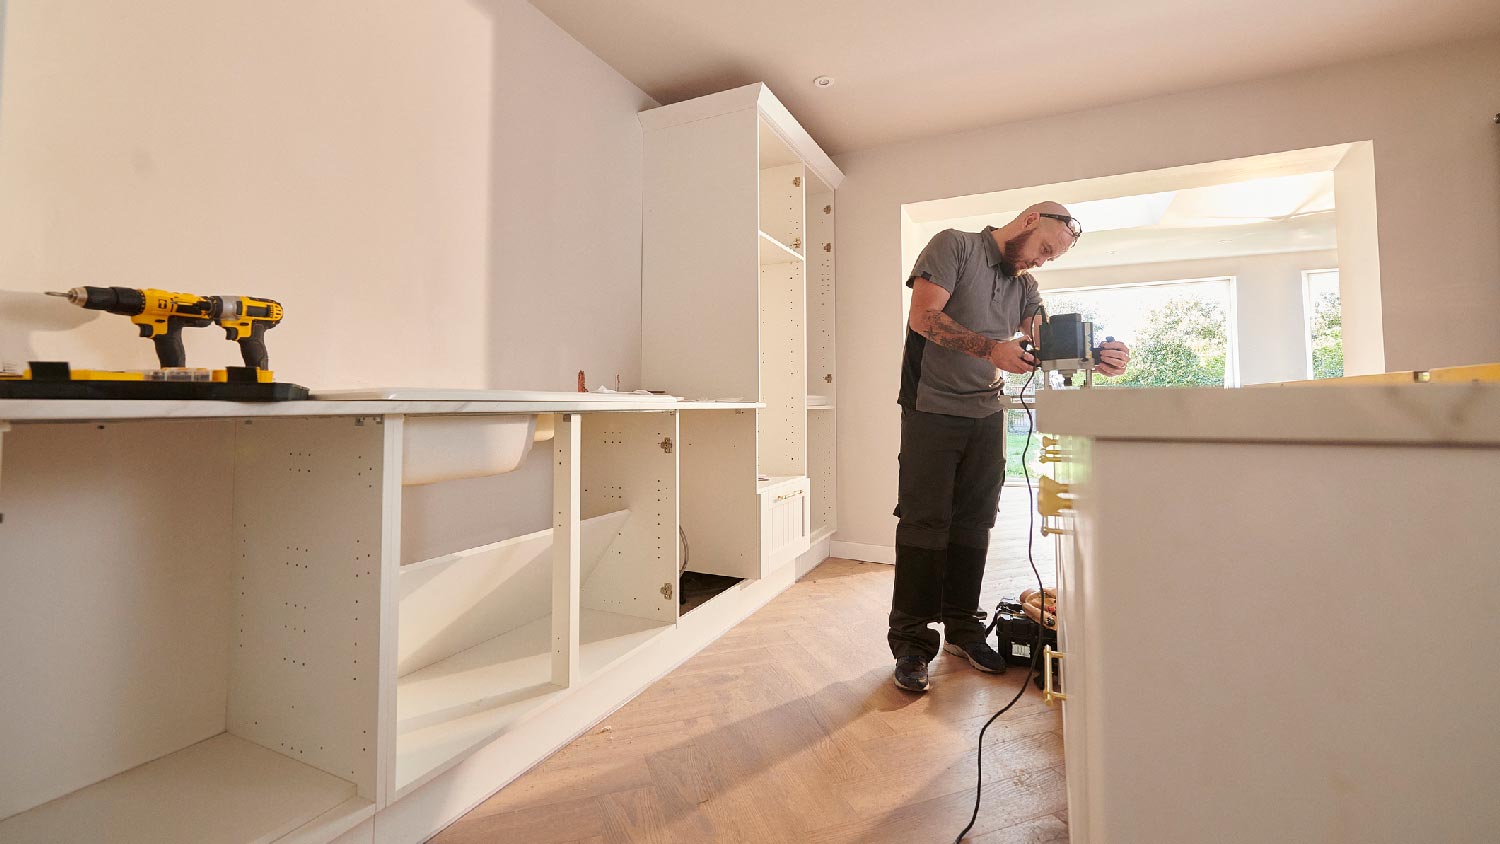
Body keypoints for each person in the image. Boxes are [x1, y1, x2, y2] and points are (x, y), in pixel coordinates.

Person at [889, 201, 1131, 692]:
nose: (1040, 261)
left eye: (1051, 258)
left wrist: (1097, 356)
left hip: (985, 413)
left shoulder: (1025, 286)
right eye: (1043, 248)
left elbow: (1043, 339)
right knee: (925, 522)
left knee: (976, 522)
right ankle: (912, 643)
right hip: (930, 407)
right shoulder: (954, 245)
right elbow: (923, 317)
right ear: (1027, 223)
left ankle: (962, 626)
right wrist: (989, 348)